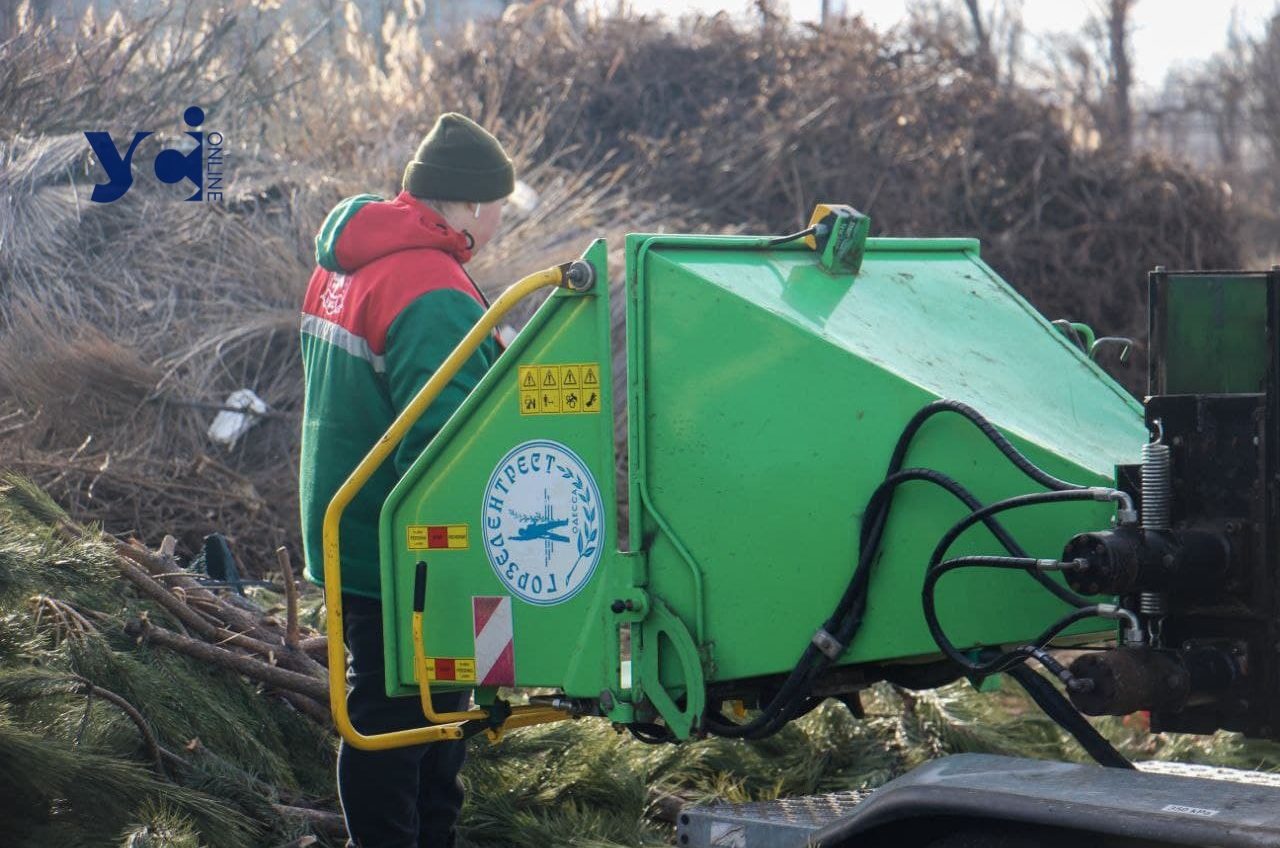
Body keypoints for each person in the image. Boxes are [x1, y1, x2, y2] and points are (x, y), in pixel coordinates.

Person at [298, 113, 513, 848]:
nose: (501, 221)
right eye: (500, 206)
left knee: (412, 718)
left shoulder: (345, 261)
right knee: (404, 726)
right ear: (472, 205)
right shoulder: (433, 286)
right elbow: (443, 442)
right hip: (408, 549)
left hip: (349, 529)